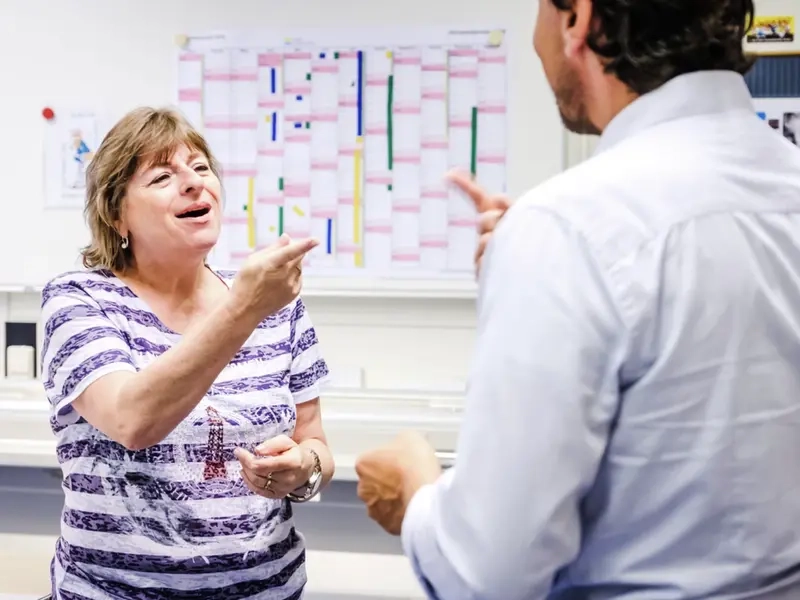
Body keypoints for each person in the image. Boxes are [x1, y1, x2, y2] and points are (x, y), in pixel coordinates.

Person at [355, 0, 800, 598]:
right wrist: (544, 273)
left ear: (577, 20)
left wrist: (413, 490)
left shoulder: (568, 229)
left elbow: (486, 575)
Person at [40, 107, 334, 599]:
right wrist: (244, 308)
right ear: (117, 215)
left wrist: (303, 469)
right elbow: (133, 420)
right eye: (162, 176)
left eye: (201, 168)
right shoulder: (79, 300)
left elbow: (317, 445)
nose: (195, 184)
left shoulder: (277, 305)